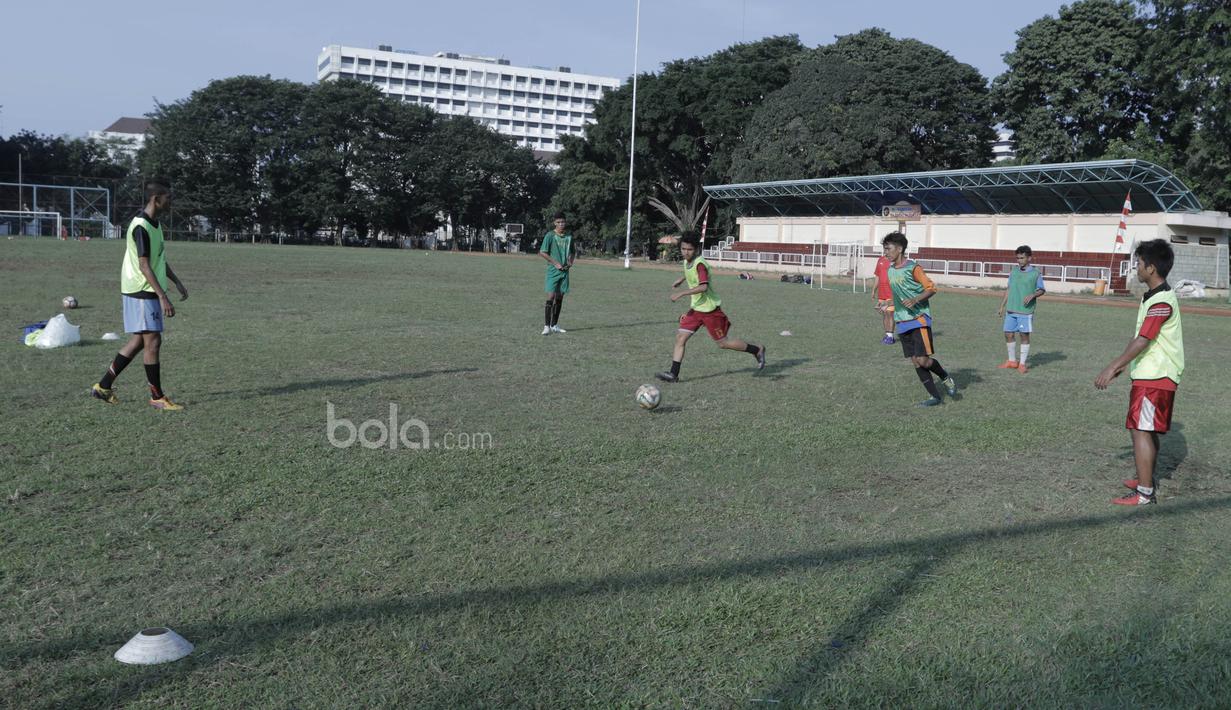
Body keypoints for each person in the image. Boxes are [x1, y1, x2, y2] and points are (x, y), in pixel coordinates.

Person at [1095, 239, 1184, 506]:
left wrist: (1112, 366)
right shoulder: (1156, 297)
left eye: (1139, 263)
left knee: (1141, 430)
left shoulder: (1162, 301)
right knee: (1143, 429)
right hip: (1152, 375)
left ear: (1152, 268)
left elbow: (1144, 339)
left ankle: (1145, 493)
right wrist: (1124, 365)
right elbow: (1142, 340)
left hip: (1155, 377)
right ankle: (1145, 479)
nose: (1137, 268)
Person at [91, 180, 188, 410]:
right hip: (141, 289)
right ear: (156, 199)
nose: (170, 203)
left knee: (138, 341)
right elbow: (144, 266)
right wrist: (163, 296)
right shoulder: (141, 226)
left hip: (144, 289)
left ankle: (103, 387)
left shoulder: (155, 224)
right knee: (153, 340)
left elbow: (158, 260)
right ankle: (157, 397)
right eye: (168, 199)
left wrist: (176, 281)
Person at [656, 235, 765, 382]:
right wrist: (682, 279)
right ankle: (673, 374)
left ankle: (757, 349)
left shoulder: (700, 264)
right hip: (696, 309)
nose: (686, 252)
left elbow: (703, 286)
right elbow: (689, 270)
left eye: (689, 249)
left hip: (710, 311)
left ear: (696, 250)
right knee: (680, 337)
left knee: (723, 343)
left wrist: (681, 293)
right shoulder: (687, 260)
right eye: (683, 249)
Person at [882, 232, 956, 407]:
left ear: (899, 249)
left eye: (888, 249)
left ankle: (945, 376)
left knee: (923, 359)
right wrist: (888, 303)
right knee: (915, 361)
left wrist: (916, 299)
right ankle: (935, 397)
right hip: (902, 321)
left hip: (919, 318)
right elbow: (900, 295)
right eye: (884, 249)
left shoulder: (913, 268)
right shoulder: (890, 270)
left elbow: (931, 288)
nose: (885, 253)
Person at [996, 245, 1046, 373]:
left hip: (1025, 311)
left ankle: (1022, 364)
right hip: (1011, 310)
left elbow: (1041, 290)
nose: (1019, 260)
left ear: (1029, 258)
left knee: (1024, 336)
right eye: (1017, 258)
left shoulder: (1035, 273)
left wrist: (1033, 295)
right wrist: (1002, 306)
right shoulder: (1014, 271)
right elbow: (1009, 289)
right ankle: (1012, 361)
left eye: (1022, 258)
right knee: (1008, 334)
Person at [539, 213, 574, 335]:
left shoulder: (569, 237)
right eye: (558, 222)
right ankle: (546, 326)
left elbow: (573, 252)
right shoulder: (550, 236)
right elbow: (542, 252)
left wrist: (570, 261)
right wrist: (555, 263)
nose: (561, 224)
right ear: (554, 223)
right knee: (551, 297)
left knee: (559, 297)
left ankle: (554, 325)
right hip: (553, 271)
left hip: (564, 272)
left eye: (563, 222)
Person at [873, 250, 895, 344]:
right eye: (885, 248)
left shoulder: (894, 261)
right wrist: (874, 290)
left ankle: (891, 336)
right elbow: (877, 276)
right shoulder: (880, 260)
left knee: (889, 313)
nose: (886, 250)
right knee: (884, 313)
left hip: (891, 293)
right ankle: (887, 334)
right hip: (882, 293)